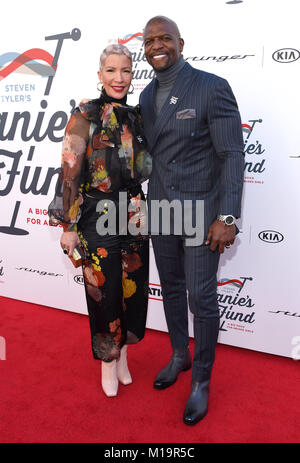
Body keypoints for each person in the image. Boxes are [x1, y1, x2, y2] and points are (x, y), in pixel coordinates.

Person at [139, 16, 244, 424]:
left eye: (165, 38)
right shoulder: (146, 97)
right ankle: (180, 355)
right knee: (170, 288)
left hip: (204, 213)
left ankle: (201, 380)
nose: (157, 45)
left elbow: (232, 155)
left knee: (201, 298)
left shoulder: (210, 86)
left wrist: (228, 215)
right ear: (144, 48)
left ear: (180, 43)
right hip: (162, 209)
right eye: (150, 41)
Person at [48, 44, 152, 398]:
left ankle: (123, 355)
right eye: (111, 70)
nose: (119, 78)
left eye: (125, 70)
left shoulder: (139, 116)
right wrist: (68, 225)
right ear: (100, 75)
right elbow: (70, 173)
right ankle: (108, 361)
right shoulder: (85, 115)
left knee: (133, 290)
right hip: (97, 213)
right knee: (104, 293)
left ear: (132, 74)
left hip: (136, 212)